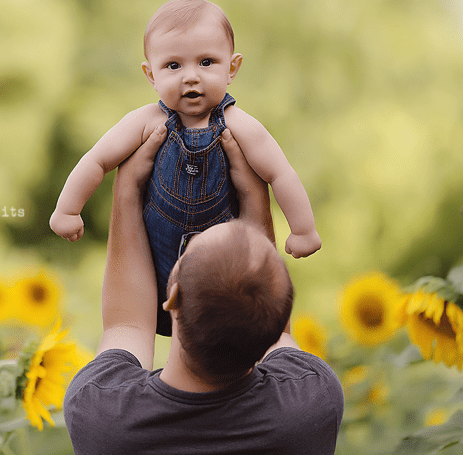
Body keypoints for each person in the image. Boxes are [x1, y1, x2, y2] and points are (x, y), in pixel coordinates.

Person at [63, 124, 343, 455]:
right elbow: (278, 334)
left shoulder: (101, 413)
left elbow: (127, 325)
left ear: (174, 296)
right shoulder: (310, 403)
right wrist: (254, 192)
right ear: (281, 313)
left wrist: (127, 190)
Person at [50, 0, 321, 335]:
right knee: (139, 318)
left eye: (206, 62)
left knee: (230, 327)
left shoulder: (240, 125)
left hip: (223, 258)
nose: (190, 77)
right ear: (151, 74)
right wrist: (68, 209)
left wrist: (303, 230)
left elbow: (280, 173)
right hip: (156, 253)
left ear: (232, 68)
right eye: (173, 66)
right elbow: (97, 159)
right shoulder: (147, 121)